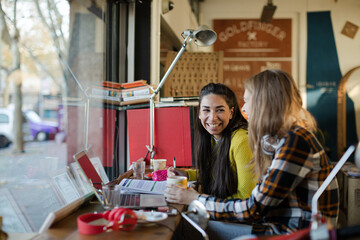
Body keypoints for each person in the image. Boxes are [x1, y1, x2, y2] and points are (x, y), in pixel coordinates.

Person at [165, 69, 339, 237]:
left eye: (247, 101)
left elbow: (252, 209)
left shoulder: (295, 142)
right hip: (279, 225)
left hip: (293, 233)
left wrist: (196, 199)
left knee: (186, 227)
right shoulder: (283, 139)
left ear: (265, 103)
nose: (244, 108)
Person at [167, 83, 256, 202]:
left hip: (235, 218)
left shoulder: (242, 140)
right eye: (206, 110)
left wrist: (197, 199)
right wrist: (187, 175)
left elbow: (246, 198)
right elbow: (219, 172)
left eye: (219, 110)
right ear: (199, 113)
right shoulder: (213, 136)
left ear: (231, 112)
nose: (212, 117)